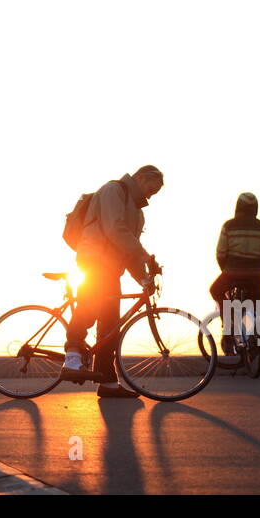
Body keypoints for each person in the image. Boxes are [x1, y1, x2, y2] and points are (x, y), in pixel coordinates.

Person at [62, 165, 164, 399]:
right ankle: (73, 355)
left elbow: (127, 251)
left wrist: (144, 278)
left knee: (110, 326)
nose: (152, 194)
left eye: (156, 192)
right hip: (94, 259)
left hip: (111, 268)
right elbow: (114, 229)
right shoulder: (114, 190)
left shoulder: (138, 213)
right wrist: (146, 256)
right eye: (151, 187)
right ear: (139, 178)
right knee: (90, 306)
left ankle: (107, 382)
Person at [209, 192, 260, 356]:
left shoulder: (229, 226)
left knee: (215, 290)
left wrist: (226, 269)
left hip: (232, 273)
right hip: (256, 275)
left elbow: (221, 253)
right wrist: (258, 268)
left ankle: (229, 322)